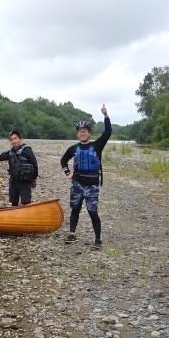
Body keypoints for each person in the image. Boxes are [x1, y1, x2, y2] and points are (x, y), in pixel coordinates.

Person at [60, 104, 112, 249]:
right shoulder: (73, 148)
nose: (82, 133)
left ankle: (98, 239)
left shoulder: (97, 145)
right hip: (77, 184)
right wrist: (67, 172)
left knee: (92, 211)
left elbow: (108, 132)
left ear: (89, 133)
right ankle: (72, 234)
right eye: (80, 131)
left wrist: (106, 116)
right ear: (78, 134)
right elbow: (63, 160)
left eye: (85, 131)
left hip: (92, 185)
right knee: (75, 208)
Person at [0, 130, 38, 206]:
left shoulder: (27, 150)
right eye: (11, 139)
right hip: (14, 181)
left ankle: (27, 216)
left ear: (20, 139)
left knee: (26, 202)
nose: (13, 141)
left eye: (15, 138)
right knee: (14, 202)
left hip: (24, 181)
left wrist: (34, 179)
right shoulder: (10, 153)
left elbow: (34, 164)